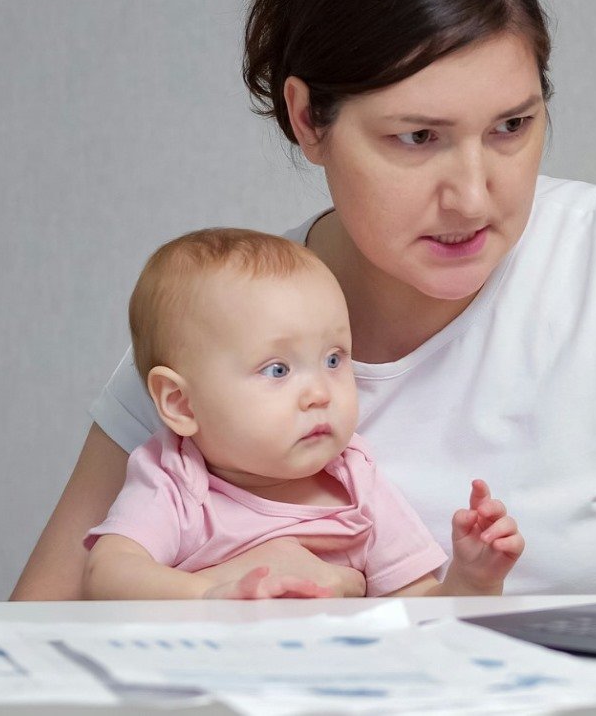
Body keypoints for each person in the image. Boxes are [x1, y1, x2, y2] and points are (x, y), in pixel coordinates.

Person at [12, 0, 596, 601]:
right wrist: (220, 594)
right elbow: (36, 640)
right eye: (418, 138)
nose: (473, 194)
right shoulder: (216, 319)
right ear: (308, 119)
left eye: (512, 127)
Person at [83, 228, 523, 599]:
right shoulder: (176, 481)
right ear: (181, 404)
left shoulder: (354, 479)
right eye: (278, 369)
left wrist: (473, 580)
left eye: (334, 359)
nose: (319, 393)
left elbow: (417, 605)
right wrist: (212, 596)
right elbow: (108, 574)